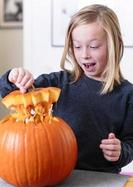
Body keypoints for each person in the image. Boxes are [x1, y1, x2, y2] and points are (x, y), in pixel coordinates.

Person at [0, 4, 133, 174]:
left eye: (93, 46)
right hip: (55, 175)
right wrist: (13, 77)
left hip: (102, 180)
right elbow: (12, 94)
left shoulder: (127, 95)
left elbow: (130, 142)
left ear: (115, 44)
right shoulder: (58, 82)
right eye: (77, 46)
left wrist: (120, 152)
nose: (84, 54)